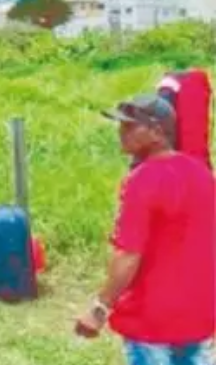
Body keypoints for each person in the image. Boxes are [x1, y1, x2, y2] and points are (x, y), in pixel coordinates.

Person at [74, 94, 215, 364]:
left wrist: (99, 308)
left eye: (129, 126)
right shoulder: (203, 175)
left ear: (157, 132)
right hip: (199, 314)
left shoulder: (142, 181)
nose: (121, 132)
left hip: (151, 319)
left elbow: (128, 255)